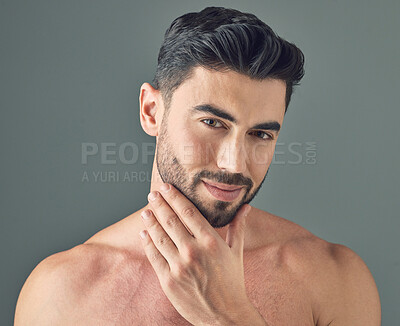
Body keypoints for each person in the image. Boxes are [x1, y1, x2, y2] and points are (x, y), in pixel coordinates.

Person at [14, 6, 381, 326]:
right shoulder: (61, 291)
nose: (234, 163)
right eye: (212, 123)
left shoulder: (334, 279)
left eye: (260, 134)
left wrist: (228, 316)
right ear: (151, 111)